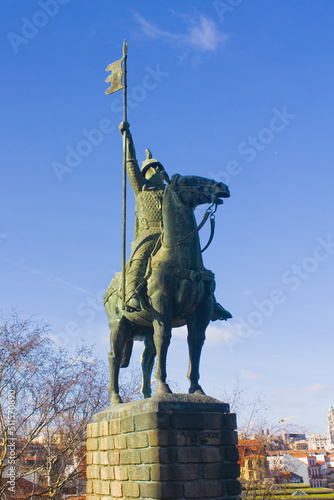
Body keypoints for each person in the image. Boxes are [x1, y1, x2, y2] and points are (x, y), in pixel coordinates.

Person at [120, 121, 232, 321]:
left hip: (174, 234)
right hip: (149, 233)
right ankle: (132, 295)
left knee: (197, 262)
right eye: (152, 168)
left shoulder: (170, 191)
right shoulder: (142, 189)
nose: (156, 171)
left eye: (158, 168)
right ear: (145, 173)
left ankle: (211, 301)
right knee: (138, 260)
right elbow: (131, 164)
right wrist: (127, 137)